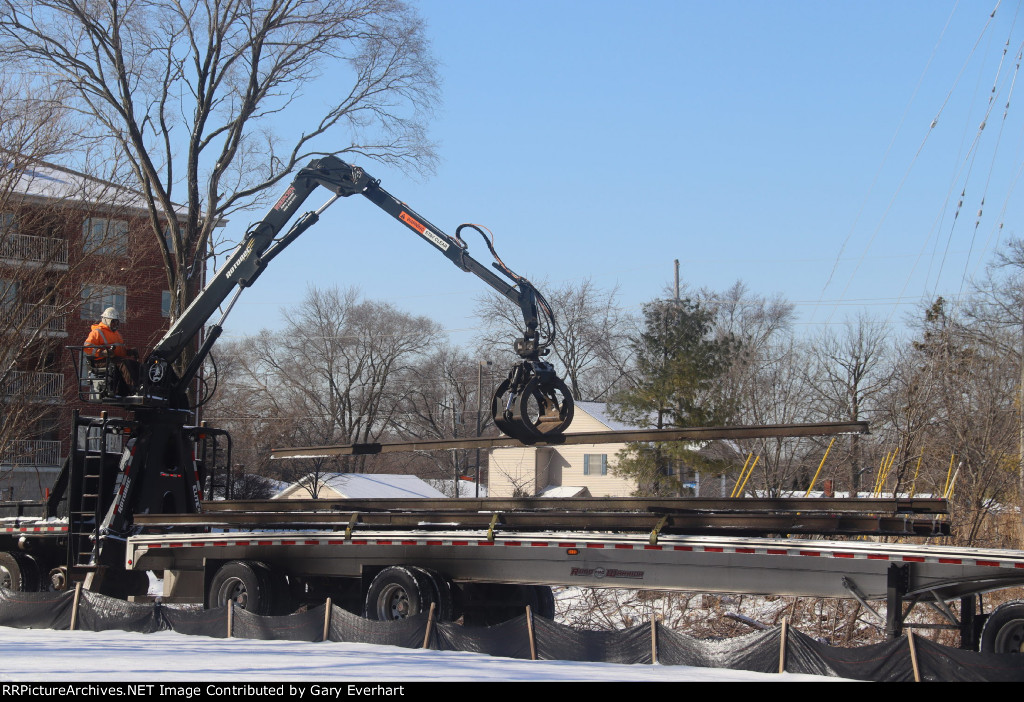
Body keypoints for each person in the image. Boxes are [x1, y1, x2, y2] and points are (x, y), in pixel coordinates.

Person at [84, 307, 139, 396]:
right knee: (123, 363)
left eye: (117, 322)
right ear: (106, 320)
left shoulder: (117, 334)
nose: (115, 324)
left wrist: (129, 352)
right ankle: (133, 389)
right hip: (99, 360)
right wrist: (102, 352)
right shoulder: (97, 332)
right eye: (113, 321)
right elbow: (87, 347)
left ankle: (131, 389)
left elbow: (120, 351)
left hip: (113, 359)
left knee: (132, 363)